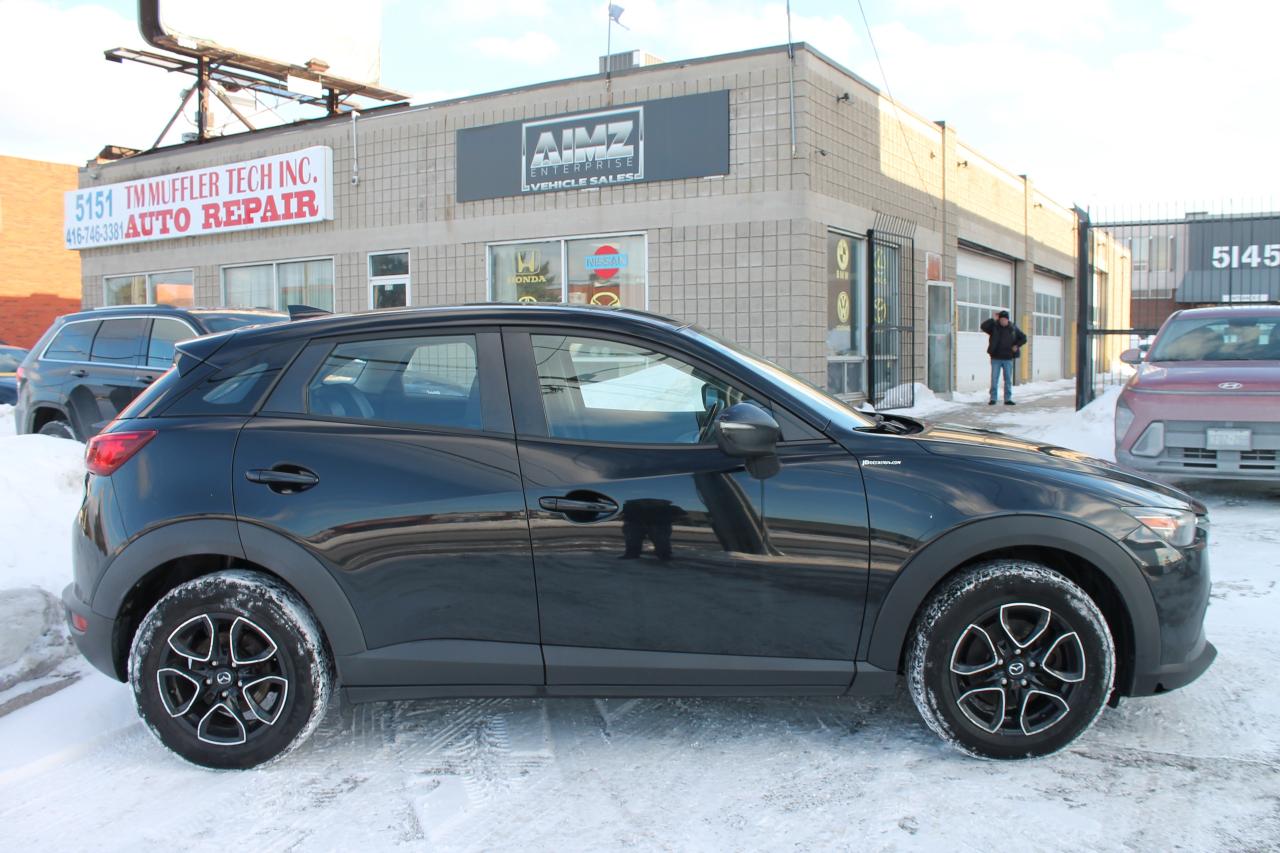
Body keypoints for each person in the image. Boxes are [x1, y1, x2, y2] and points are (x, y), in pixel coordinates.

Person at [980, 310, 1027, 405]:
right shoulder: (994, 327)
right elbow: (983, 327)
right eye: (1001, 319)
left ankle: (1007, 399)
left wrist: (1017, 345)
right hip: (996, 358)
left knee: (1008, 380)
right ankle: (993, 398)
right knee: (994, 379)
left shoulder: (1013, 328)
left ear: (1007, 320)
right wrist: (993, 319)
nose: (1003, 321)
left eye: (1004, 319)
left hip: (1008, 358)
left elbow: (1023, 338)